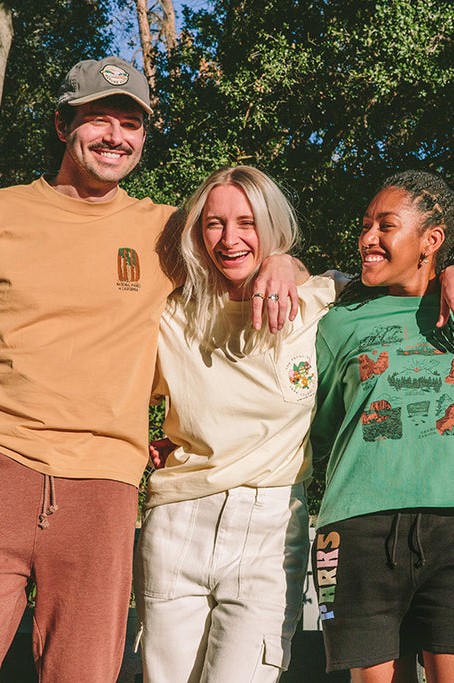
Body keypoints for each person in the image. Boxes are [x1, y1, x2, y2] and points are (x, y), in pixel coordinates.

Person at [0, 57, 296, 682]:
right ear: (65, 124)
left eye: (131, 123)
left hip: (104, 491)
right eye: (100, 119)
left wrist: (284, 259)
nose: (116, 136)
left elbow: (243, 250)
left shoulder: (168, 233)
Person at [133, 165, 341, 682]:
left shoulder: (320, 302)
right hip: (177, 519)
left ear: (272, 227)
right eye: (214, 224)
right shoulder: (168, 317)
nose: (229, 240)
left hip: (270, 524)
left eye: (247, 223)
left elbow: (402, 283)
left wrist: (452, 272)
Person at [311, 171, 454, 683]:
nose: (367, 238)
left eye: (386, 226)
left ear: (431, 240)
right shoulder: (336, 323)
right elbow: (316, 425)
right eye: (366, 225)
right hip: (357, 526)